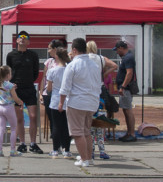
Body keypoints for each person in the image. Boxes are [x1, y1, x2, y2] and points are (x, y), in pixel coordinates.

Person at [57, 38, 103, 168]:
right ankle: (89, 157)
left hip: (77, 102)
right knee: (86, 132)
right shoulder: (95, 65)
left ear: (75, 50)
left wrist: (60, 103)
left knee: (77, 133)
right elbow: (98, 84)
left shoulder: (72, 65)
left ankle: (84, 159)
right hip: (92, 102)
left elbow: (65, 87)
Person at [7, 31, 43, 154]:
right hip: (17, 90)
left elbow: (35, 73)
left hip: (29, 89)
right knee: (20, 118)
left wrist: (28, 81)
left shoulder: (33, 55)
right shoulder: (11, 55)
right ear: (16, 40)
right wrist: (12, 84)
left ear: (28, 42)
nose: (22, 39)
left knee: (33, 117)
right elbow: (8, 72)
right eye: (20, 37)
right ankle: (22, 143)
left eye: (25, 38)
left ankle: (33, 143)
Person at [87, 40, 118, 160]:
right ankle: (102, 150)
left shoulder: (84, 58)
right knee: (100, 124)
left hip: (88, 89)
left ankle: (91, 152)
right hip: (99, 89)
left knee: (89, 125)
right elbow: (115, 66)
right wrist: (104, 74)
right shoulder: (101, 58)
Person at [43, 46, 71, 158]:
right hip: (68, 101)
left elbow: (48, 88)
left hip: (55, 100)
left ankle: (55, 149)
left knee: (56, 125)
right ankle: (67, 150)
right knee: (66, 126)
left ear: (57, 56)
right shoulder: (70, 68)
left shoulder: (52, 71)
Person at [0, 65, 24, 157]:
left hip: (1, 107)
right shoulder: (10, 85)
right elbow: (15, 98)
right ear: (7, 75)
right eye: (10, 73)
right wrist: (21, 102)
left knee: (1, 129)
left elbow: (5, 89)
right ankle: (12, 150)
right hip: (9, 107)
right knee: (13, 129)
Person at [114, 40, 138, 142]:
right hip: (125, 88)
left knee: (128, 110)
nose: (116, 52)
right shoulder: (127, 58)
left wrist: (123, 86)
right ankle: (129, 132)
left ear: (121, 48)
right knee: (125, 109)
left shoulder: (128, 58)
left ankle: (131, 133)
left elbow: (129, 73)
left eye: (117, 50)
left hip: (126, 89)